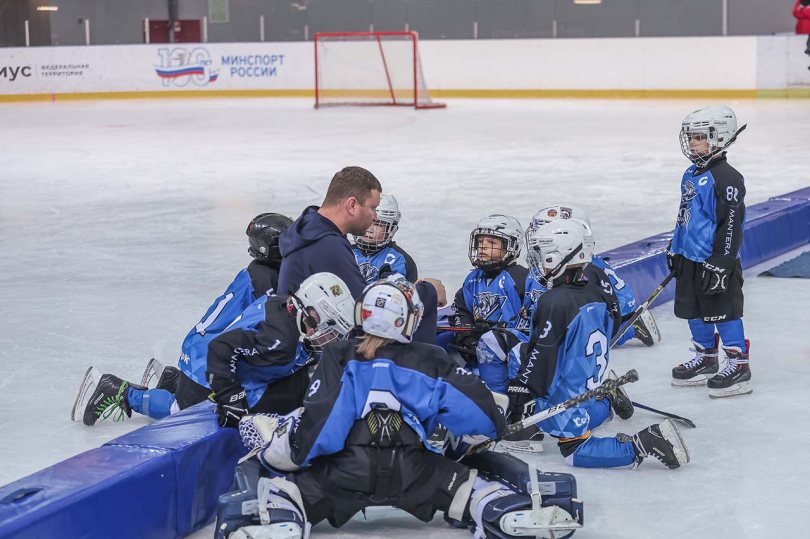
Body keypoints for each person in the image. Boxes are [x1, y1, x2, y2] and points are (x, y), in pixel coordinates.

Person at [214, 276, 585, 539]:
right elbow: (485, 419)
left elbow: (319, 432)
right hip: (418, 472)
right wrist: (472, 431)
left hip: (342, 476)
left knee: (291, 489)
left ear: (362, 314)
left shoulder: (339, 356)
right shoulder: (430, 359)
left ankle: (282, 515)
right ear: (409, 319)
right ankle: (497, 508)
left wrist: (279, 448)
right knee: (467, 488)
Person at [503, 219, 690, 470]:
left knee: (573, 449)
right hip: (586, 380)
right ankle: (604, 400)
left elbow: (543, 360)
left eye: (543, 254)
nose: (537, 261)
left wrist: (520, 402)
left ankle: (647, 441)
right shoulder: (594, 290)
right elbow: (609, 326)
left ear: (563, 256)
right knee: (575, 412)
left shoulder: (554, 302)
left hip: (569, 388)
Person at [73, 273, 354, 427]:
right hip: (206, 364)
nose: (332, 339)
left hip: (210, 354)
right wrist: (230, 396)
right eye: (331, 330)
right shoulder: (281, 339)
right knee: (183, 413)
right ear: (314, 315)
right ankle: (120, 390)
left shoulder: (286, 308)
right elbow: (221, 350)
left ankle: (173, 381)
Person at [277, 166, 444, 344]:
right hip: (314, 356)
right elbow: (366, 313)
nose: (374, 217)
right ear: (352, 205)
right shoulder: (327, 246)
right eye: (373, 208)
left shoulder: (313, 230)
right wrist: (426, 292)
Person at [668, 105, 751, 399]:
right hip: (691, 259)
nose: (692, 142)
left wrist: (720, 262)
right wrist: (676, 249)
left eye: (699, 137)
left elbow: (731, 224)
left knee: (722, 312)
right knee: (693, 310)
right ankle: (706, 359)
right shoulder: (691, 173)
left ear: (720, 137)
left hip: (716, 262)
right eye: (690, 137)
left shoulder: (727, 178)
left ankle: (739, 364)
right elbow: (685, 216)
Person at [526, 205, 660, 347]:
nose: (537, 239)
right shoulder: (577, 261)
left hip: (616, 310)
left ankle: (631, 327)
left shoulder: (581, 270)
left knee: (579, 340)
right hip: (613, 304)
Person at [450, 215, 529, 364]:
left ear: (512, 248)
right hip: (480, 354)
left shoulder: (520, 278)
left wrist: (505, 339)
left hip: (510, 355)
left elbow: (530, 319)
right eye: (480, 242)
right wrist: (466, 338)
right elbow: (462, 310)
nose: (483, 247)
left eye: (491, 242)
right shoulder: (472, 279)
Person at [352, 194, 418, 283]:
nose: (369, 229)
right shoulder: (345, 251)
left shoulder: (400, 261)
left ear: (389, 230)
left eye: (377, 224)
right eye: (365, 221)